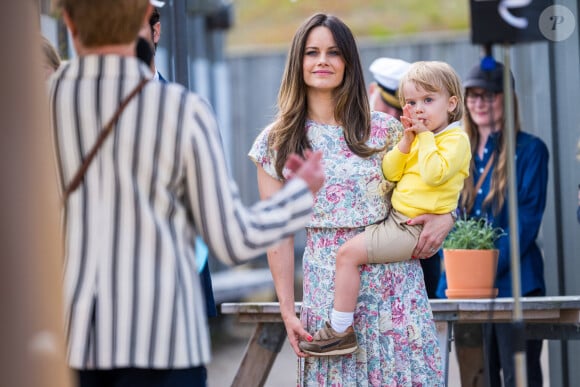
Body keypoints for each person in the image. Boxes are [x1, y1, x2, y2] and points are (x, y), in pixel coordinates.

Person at [49, 1, 324, 386]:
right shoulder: (182, 111)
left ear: (68, 22)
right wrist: (298, 194)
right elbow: (233, 239)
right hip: (166, 338)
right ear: (143, 21)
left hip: (75, 340)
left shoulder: (36, 106)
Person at [249, 13, 454, 385]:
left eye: (334, 52)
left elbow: (435, 182)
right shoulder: (274, 142)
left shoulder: (387, 130)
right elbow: (276, 233)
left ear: (349, 63)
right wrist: (286, 309)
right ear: (299, 61)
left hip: (396, 290)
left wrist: (447, 217)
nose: (323, 61)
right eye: (312, 52)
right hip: (328, 292)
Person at [300, 60, 471, 356]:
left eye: (428, 101)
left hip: (409, 226)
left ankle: (339, 330)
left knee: (348, 254)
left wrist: (424, 138)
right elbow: (390, 172)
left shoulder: (455, 139)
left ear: (452, 103)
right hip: (397, 218)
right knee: (349, 253)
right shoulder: (420, 138)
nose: (418, 109)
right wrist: (406, 142)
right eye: (412, 102)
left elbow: (434, 174)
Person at [436, 60, 549, 387]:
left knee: (520, 379)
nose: (480, 103)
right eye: (473, 95)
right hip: (463, 292)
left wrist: (477, 267)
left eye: (490, 95)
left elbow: (526, 223)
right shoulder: (457, 150)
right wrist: (459, 270)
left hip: (515, 284)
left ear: (507, 98)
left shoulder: (531, 150)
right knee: (477, 378)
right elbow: (446, 213)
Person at [368, 56, 443, 298]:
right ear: (371, 91)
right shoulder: (349, 136)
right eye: (386, 104)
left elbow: (450, 183)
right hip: (365, 254)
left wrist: (448, 216)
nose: (391, 115)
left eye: (399, 109)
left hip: (415, 255)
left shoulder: (423, 138)